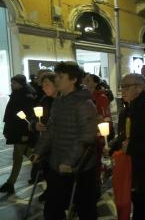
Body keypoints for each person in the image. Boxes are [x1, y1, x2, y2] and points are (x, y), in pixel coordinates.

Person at [32, 61, 98, 220]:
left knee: (85, 208)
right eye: (56, 76)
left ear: (73, 79)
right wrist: (38, 151)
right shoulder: (58, 101)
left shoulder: (84, 103)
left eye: (60, 76)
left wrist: (69, 161)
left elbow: (86, 136)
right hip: (57, 162)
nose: (56, 80)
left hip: (79, 166)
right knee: (53, 207)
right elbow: (51, 130)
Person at [110, 73, 145, 220]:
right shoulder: (130, 108)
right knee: (139, 205)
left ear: (139, 87)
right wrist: (112, 145)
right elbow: (126, 134)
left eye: (126, 86)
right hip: (135, 167)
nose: (122, 90)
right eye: (121, 86)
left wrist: (131, 148)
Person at [0, 74, 36, 194]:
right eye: (12, 82)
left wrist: (26, 132)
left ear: (21, 83)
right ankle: (44, 168)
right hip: (17, 130)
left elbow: (27, 116)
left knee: (18, 156)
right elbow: (11, 114)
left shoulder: (26, 96)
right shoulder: (19, 94)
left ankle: (10, 183)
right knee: (26, 153)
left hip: (22, 131)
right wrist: (7, 130)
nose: (12, 84)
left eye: (14, 83)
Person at [31, 72, 58, 202]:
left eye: (47, 84)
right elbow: (33, 119)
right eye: (43, 85)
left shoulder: (65, 102)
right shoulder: (44, 100)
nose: (43, 87)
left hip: (60, 145)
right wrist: (35, 125)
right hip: (47, 146)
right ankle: (50, 191)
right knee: (48, 172)